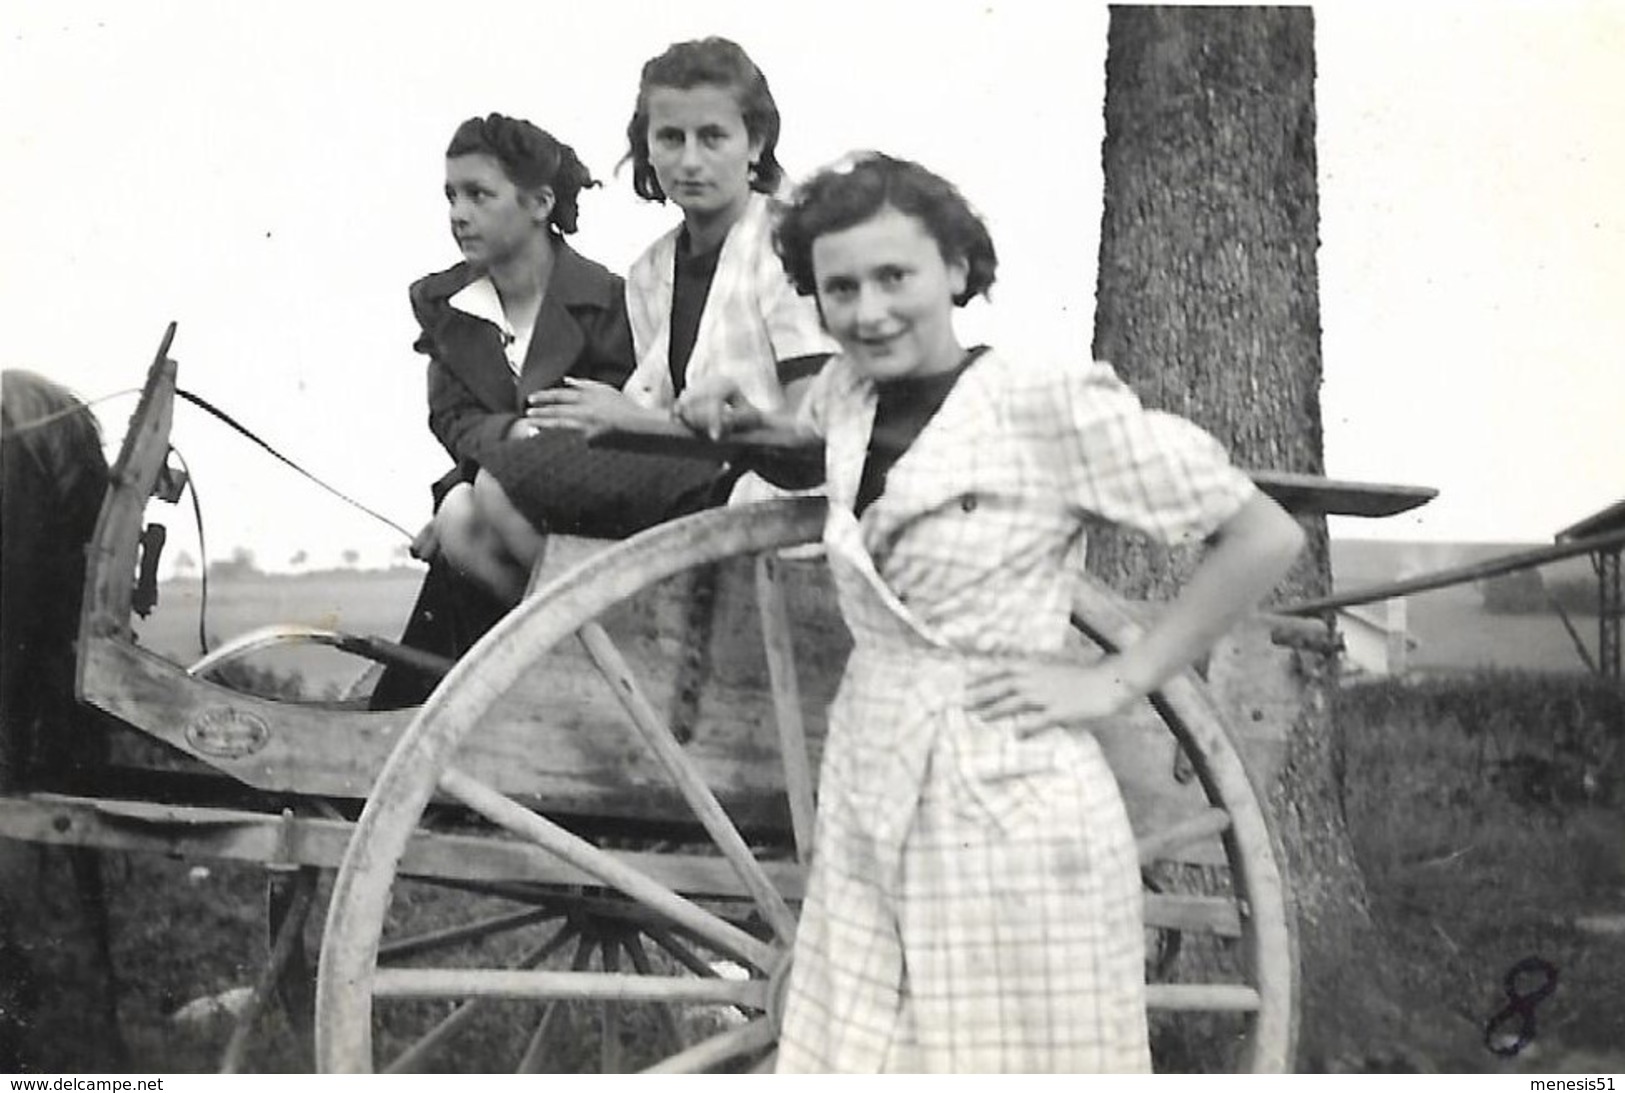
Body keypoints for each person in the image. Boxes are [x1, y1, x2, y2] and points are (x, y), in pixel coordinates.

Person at [676, 153, 1306, 1072]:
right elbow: (822, 437)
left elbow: (1261, 533)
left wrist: (1116, 679)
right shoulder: (850, 394)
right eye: (839, 288)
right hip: (870, 774)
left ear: (958, 271)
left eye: (896, 277)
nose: (869, 310)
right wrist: (735, 409)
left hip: (1004, 790)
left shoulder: (1041, 402)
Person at [370, 114, 634, 708]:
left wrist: (524, 456)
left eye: (479, 195)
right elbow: (453, 418)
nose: (458, 213)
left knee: (483, 496)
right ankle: (553, 661)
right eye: (451, 196)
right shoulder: (448, 305)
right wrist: (517, 433)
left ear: (539, 203)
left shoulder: (608, 301)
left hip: (597, 515)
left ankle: (604, 652)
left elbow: (626, 414)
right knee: (462, 510)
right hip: (504, 499)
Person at [525, 36, 833, 506]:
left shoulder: (786, 246)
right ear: (646, 146)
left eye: (712, 137)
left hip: (777, 493)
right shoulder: (650, 271)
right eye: (671, 138)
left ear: (755, 143)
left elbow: (810, 430)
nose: (690, 161)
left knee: (497, 497)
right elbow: (661, 413)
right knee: (469, 511)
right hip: (688, 477)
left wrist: (632, 419)